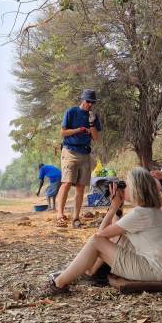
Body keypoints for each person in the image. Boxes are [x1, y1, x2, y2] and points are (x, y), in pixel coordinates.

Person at [37, 167, 162, 297]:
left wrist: (112, 208)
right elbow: (116, 231)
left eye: (127, 186)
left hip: (153, 270)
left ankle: (59, 284)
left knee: (96, 241)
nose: (124, 189)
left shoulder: (141, 213)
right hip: (158, 267)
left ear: (136, 189)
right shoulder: (150, 211)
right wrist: (117, 207)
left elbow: (100, 236)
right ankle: (90, 271)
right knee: (121, 238)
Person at [56, 89, 102, 228]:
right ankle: (60, 215)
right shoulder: (71, 112)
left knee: (81, 186)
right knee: (67, 182)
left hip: (84, 152)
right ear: (82, 100)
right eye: (88, 101)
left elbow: (95, 137)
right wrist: (78, 130)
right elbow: (63, 132)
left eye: (92, 102)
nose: (90, 104)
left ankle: (76, 218)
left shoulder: (93, 116)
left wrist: (92, 124)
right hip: (70, 151)